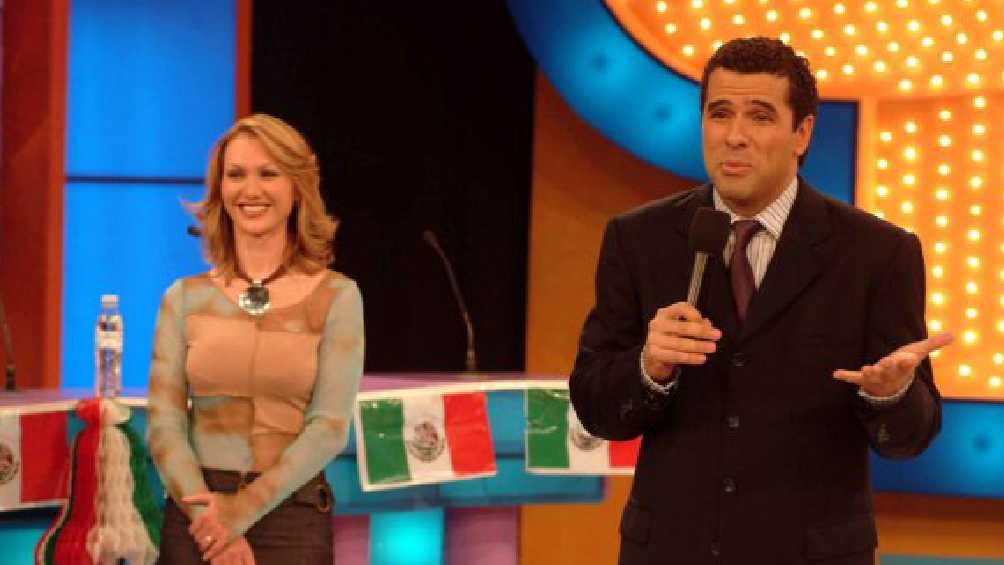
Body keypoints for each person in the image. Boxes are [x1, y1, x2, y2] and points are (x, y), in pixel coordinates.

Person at [569, 37, 953, 565]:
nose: (735, 136)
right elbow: (594, 408)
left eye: (760, 116)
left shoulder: (878, 254)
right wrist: (647, 368)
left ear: (802, 133)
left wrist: (890, 396)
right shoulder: (638, 239)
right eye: (720, 113)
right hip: (672, 550)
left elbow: (909, 438)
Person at [147, 113, 364, 564]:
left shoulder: (338, 297)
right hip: (197, 515)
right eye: (235, 175)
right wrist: (213, 524)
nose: (250, 190)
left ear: (297, 187)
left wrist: (241, 511)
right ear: (219, 189)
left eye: (268, 174)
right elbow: (164, 425)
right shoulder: (182, 298)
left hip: (292, 518)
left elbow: (328, 428)